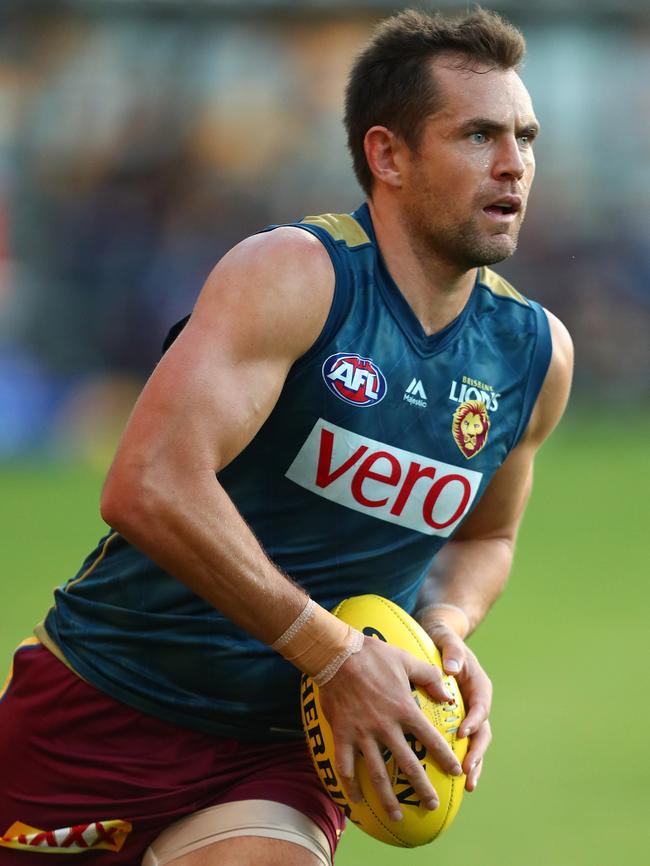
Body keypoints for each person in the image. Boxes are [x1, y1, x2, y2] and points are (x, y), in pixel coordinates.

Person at [0, 8, 573, 866]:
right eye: (479, 135)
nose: (514, 165)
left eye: (526, 137)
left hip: (284, 745)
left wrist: (445, 626)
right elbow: (148, 483)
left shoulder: (535, 354)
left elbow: (486, 535)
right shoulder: (295, 277)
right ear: (388, 155)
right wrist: (334, 653)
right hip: (106, 705)